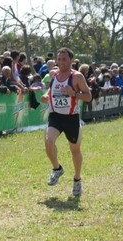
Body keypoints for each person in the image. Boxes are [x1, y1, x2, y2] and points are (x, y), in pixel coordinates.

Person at [40, 47, 92, 196]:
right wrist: (45, 95)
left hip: (71, 118)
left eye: (64, 59)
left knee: (75, 151)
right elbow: (52, 90)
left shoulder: (77, 77)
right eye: (59, 59)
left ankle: (77, 179)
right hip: (55, 115)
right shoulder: (53, 74)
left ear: (70, 61)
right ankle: (57, 169)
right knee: (49, 142)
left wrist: (73, 93)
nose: (61, 62)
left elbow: (88, 96)